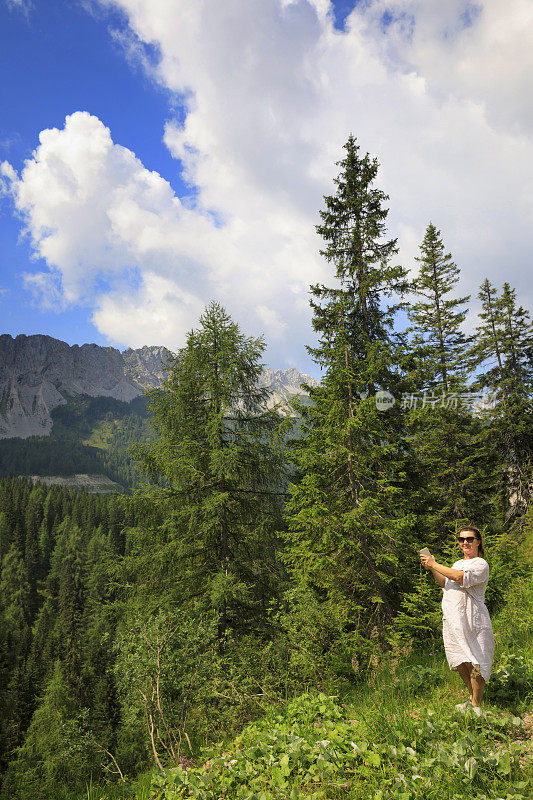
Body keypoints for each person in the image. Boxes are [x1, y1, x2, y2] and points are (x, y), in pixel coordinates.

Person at [420, 526, 495, 715]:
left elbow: (460, 578)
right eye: (461, 540)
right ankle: (471, 700)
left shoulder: (480, 564)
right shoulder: (456, 563)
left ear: (478, 541)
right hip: (454, 619)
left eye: (469, 539)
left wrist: (435, 565)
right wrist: (432, 567)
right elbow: (445, 582)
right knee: (461, 660)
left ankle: (478, 707)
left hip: (473, 619)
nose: (465, 543)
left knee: (475, 660)